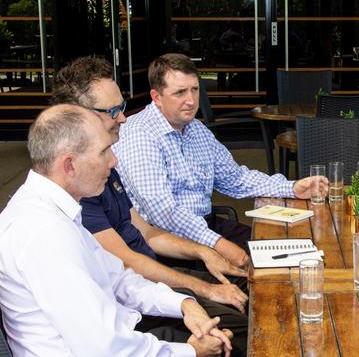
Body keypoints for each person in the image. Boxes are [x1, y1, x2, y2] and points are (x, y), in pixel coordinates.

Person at [50, 56, 249, 355]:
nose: (124, 118)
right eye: (114, 110)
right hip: (134, 302)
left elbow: (145, 232)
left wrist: (205, 252)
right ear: (77, 117)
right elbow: (126, 267)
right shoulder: (73, 188)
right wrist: (201, 291)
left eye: (123, 107)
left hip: (146, 283)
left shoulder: (105, 165)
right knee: (241, 329)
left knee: (247, 290)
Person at [0, 105, 233, 356]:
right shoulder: (45, 233)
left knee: (226, 332)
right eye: (104, 151)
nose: (114, 160)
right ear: (69, 165)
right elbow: (103, 347)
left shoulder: (56, 209)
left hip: (120, 332)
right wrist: (191, 352)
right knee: (232, 342)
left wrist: (183, 303)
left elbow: (117, 278)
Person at [113, 53, 327, 268]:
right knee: (266, 272)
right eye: (180, 92)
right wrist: (218, 244)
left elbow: (235, 178)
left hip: (206, 226)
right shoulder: (140, 135)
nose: (190, 100)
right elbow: (164, 213)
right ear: (156, 97)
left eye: (194, 89)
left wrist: (292, 188)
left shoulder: (196, 130)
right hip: (168, 244)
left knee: (297, 253)